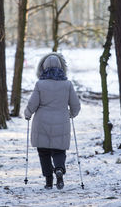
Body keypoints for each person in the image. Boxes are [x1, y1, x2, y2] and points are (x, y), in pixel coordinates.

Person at [24, 52, 81, 190]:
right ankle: (59, 169)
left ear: (42, 67)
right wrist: (72, 114)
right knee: (59, 151)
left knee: (43, 152)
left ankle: (48, 181)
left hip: (41, 123)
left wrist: (27, 113)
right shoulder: (67, 84)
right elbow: (76, 105)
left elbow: (33, 103)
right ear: (61, 67)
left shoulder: (40, 84)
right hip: (61, 122)